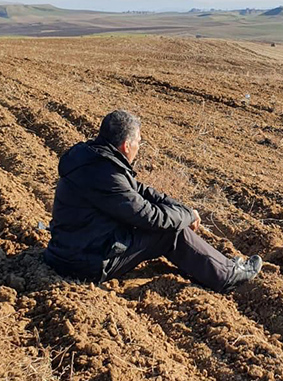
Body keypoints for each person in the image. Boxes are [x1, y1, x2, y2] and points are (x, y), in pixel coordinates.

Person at [44, 109, 262, 291]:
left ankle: (215, 264)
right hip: (84, 263)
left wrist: (181, 208)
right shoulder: (106, 174)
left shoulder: (93, 159)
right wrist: (186, 216)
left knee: (171, 221)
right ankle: (227, 276)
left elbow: (139, 190)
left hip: (69, 249)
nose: (140, 145)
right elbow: (149, 216)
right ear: (126, 146)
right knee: (170, 233)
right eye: (139, 141)